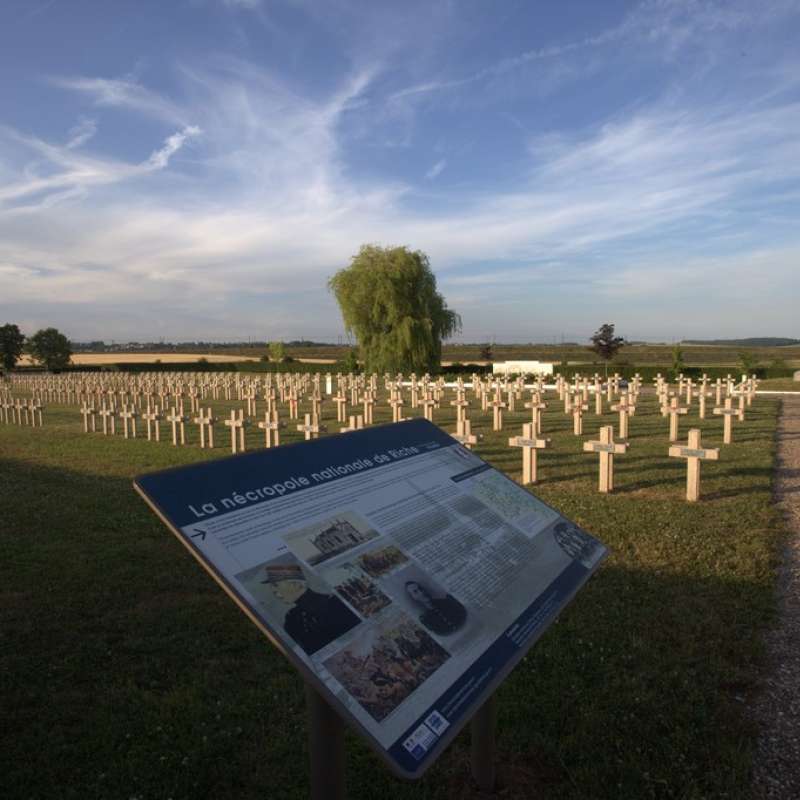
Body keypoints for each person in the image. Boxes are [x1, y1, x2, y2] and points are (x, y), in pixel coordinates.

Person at [261, 562, 359, 655]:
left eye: (276, 585)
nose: (275, 593)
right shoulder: (292, 618)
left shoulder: (336, 603)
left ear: (296, 584)